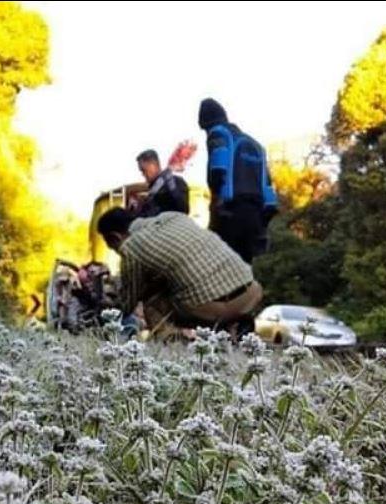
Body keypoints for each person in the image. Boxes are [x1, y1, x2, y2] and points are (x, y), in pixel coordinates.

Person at [96, 207, 263, 336]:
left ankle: (171, 342)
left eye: (113, 247)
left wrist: (104, 315)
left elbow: (127, 303)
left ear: (115, 238)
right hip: (250, 291)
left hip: (214, 308)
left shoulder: (131, 247)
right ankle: (234, 326)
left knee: (152, 299)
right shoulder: (174, 217)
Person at [198, 98, 278, 264]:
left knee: (223, 269)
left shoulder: (217, 133)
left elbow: (218, 169)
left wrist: (216, 206)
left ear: (206, 123)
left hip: (230, 213)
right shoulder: (256, 145)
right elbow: (268, 187)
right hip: (255, 217)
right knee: (245, 270)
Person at [134, 149, 189, 217]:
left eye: (144, 170)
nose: (143, 174)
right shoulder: (152, 190)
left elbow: (183, 209)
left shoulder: (174, 182)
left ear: (153, 165)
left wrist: (171, 186)